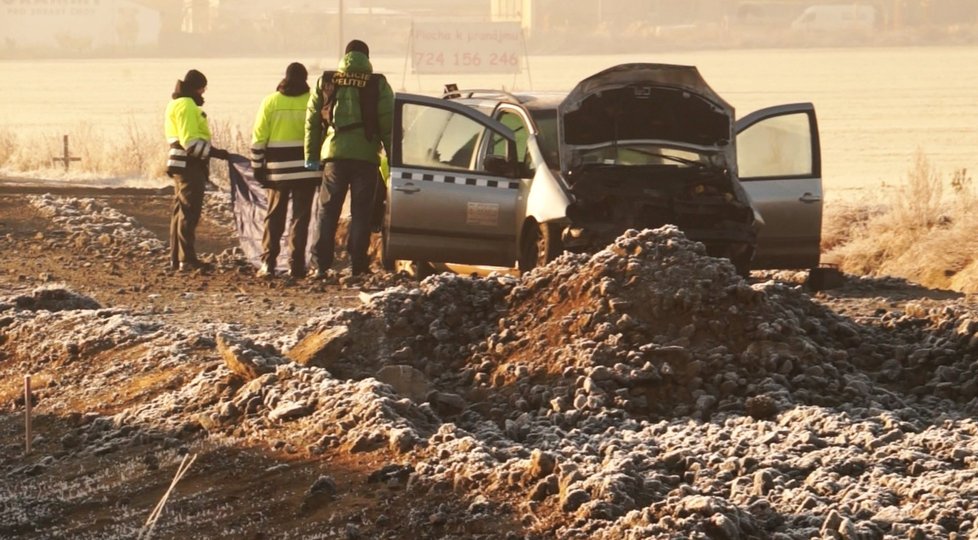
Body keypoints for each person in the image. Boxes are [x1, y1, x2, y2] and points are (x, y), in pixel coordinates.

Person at [305, 39, 394, 279]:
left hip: (334, 156)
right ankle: (358, 266)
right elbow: (388, 125)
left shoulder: (326, 81)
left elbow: (313, 122)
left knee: (327, 212)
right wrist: (394, 157)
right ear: (367, 57)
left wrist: (311, 157)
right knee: (361, 214)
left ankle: (321, 265)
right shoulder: (378, 84)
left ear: (345, 57)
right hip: (366, 158)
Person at [250, 62, 320, 278]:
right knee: (300, 218)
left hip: (277, 171)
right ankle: (296, 265)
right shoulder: (312, 101)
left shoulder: (270, 102)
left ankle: (268, 263)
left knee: (274, 216)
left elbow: (259, 138)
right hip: (306, 172)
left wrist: (257, 166)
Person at [164, 69, 229, 272]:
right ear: (196, 87)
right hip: (188, 164)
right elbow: (190, 141)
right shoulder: (187, 105)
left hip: (179, 164)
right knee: (189, 212)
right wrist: (215, 153)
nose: (203, 92)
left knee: (180, 211)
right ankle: (187, 259)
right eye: (203, 88)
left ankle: (176, 258)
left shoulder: (175, 103)